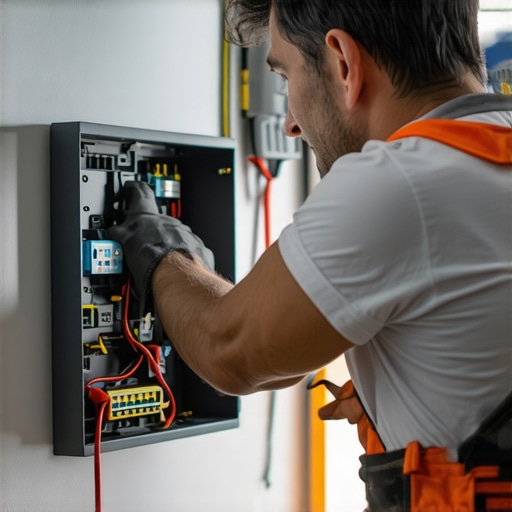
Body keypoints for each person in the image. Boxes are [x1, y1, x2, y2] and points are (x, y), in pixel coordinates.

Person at [109, 1, 512, 510]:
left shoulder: (400, 181)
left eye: (286, 77)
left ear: (343, 61)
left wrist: (162, 249)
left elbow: (230, 348)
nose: (292, 124)